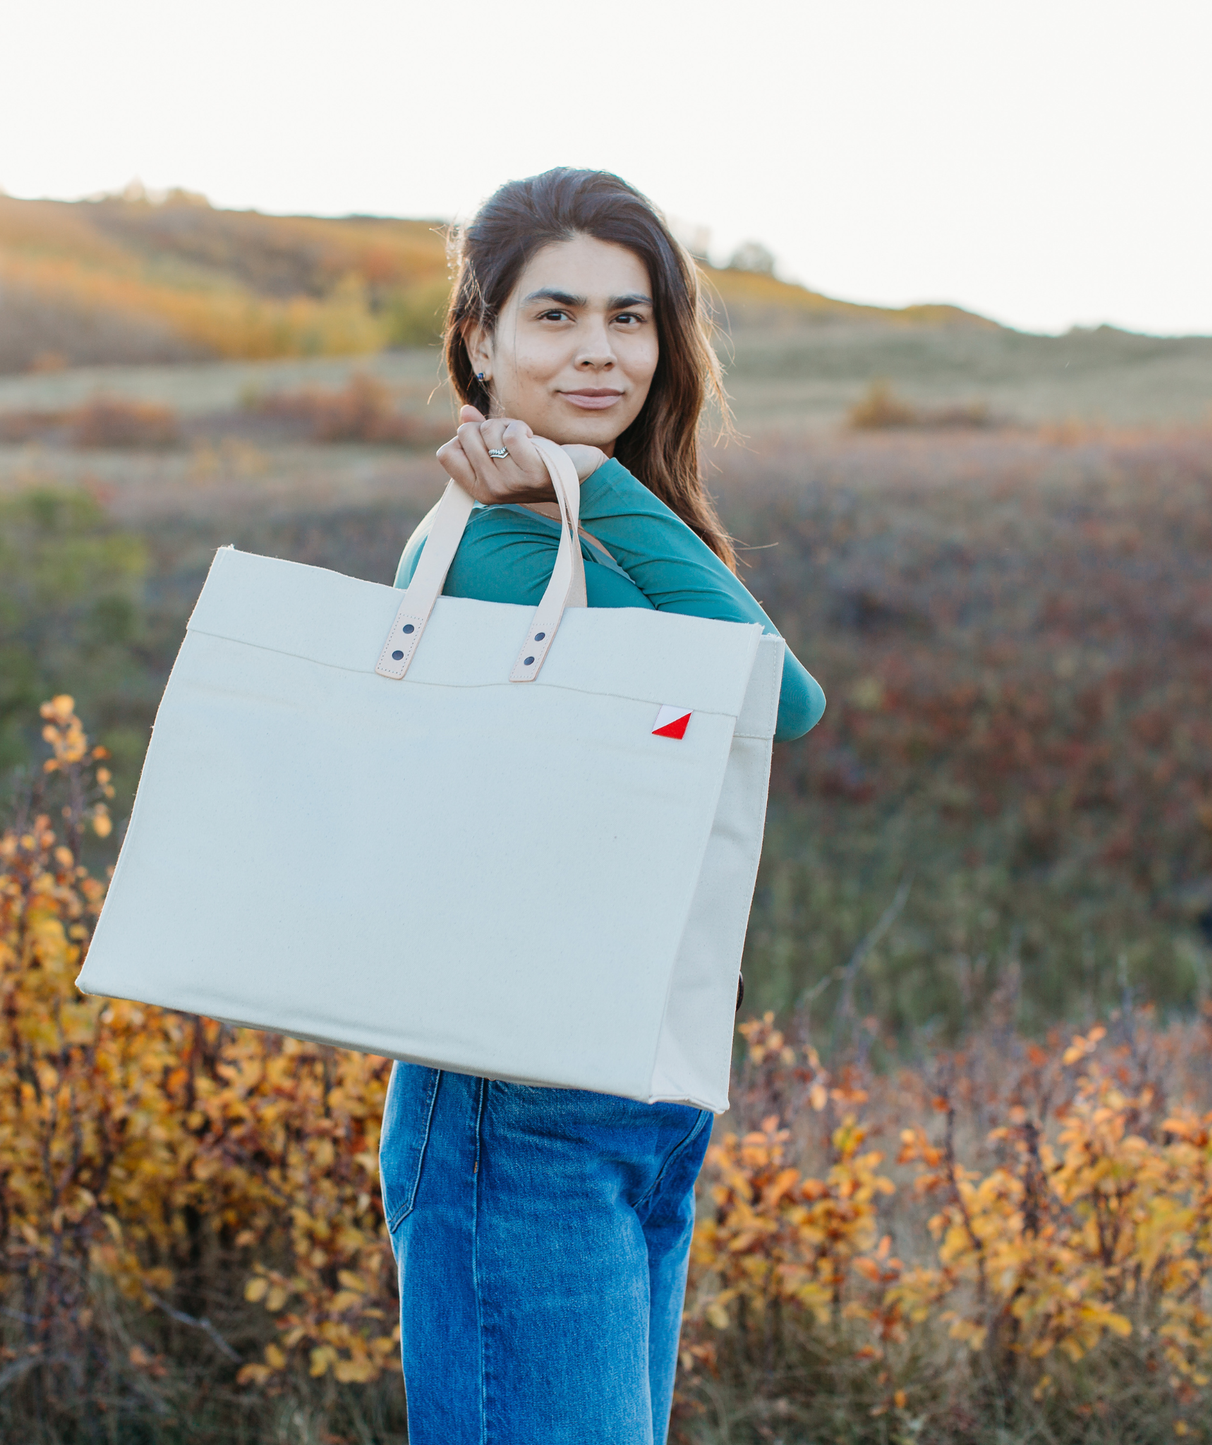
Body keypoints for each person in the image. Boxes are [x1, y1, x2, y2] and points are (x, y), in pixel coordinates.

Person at [378, 168, 825, 1445]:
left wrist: (594, 478)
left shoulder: (578, 523)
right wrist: (591, 484)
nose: (599, 351)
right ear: (479, 341)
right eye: (555, 315)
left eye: (629, 319)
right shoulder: (503, 549)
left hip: (635, 1085)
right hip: (518, 1104)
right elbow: (773, 701)